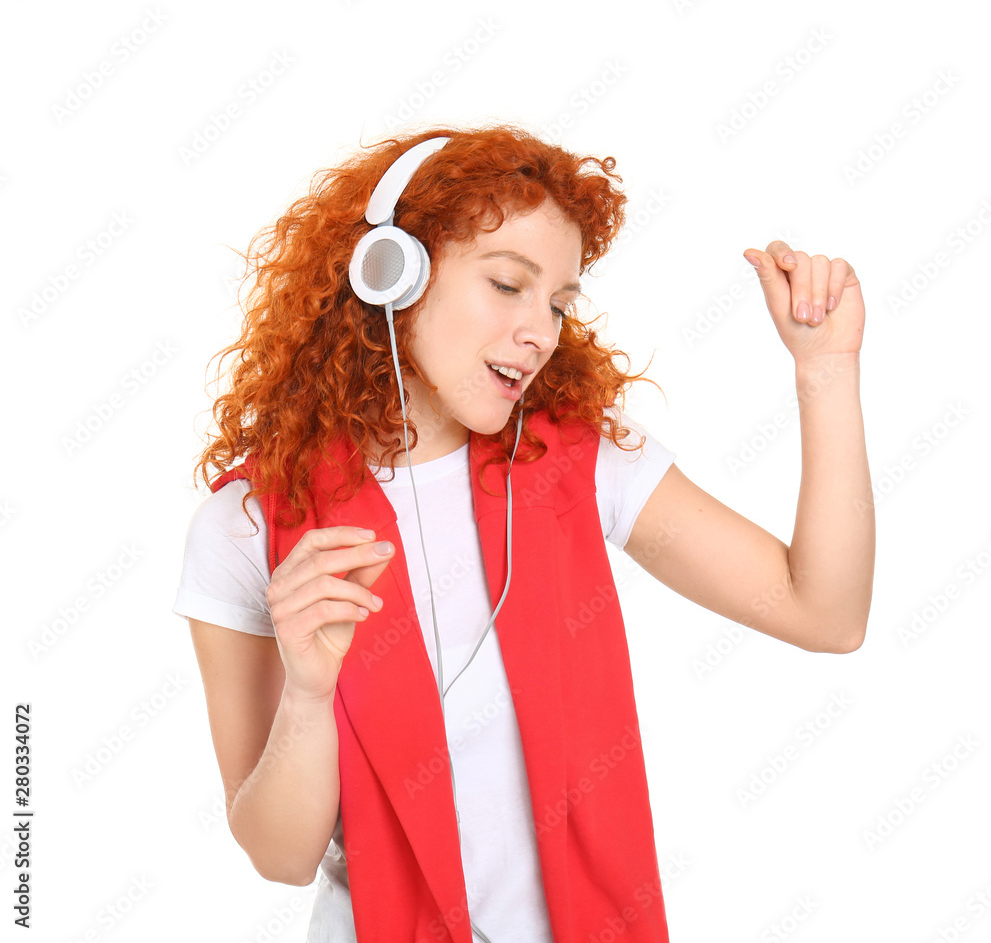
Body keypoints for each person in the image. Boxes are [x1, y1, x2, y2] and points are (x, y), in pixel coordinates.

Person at [172, 123, 874, 943]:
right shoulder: (248, 527)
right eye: (508, 284)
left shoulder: (581, 461)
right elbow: (279, 857)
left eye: (558, 302)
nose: (540, 331)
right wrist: (307, 693)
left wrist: (825, 371)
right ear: (391, 275)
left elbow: (823, 613)